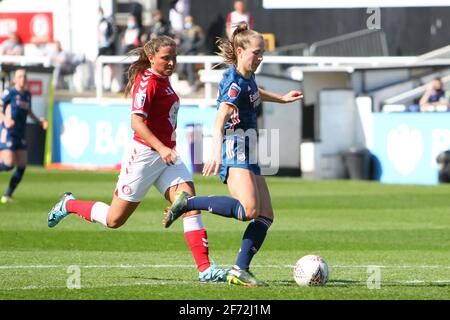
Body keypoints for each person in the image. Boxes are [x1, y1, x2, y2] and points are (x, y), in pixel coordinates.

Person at [46, 36, 227, 283]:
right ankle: (68, 204)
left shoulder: (164, 81)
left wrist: (165, 149)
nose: (172, 62)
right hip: (144, 155)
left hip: (167, 156)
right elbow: (136, 122)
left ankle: (205, 269)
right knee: (114, 220)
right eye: (166, 58)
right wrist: (162, 147)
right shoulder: (147, 82)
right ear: (151, 57)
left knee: (189, 202)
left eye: (174, 57)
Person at [163, 22, 303, 286]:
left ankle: (240, 269)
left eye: (263, 53)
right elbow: (221, 116)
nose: (260, 57)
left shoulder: (246, 77)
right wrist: (215, 149)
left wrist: (281, 99)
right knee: (249, 210)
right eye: (257, 52)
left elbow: (254, 92)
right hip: (234, 146)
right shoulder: (234, 80)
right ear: (240, 50)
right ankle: (187, 203)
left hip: (248, 147)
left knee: (266, 215)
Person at [0, 69, 48, 203]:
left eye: (24, 76)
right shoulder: (10, 93)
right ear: (14, 79)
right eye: (20, 76)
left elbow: (29, 112)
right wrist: (5, 119)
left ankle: (7, 195)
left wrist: (39, 121)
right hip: (9, 132)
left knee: (22, 164)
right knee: (8, 164)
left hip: (21, 132)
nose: (23, 79)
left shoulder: (27, 94)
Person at [178, 15, 205, 94]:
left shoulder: (196, 29)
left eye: (189, 21)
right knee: (181, 69)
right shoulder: (182, 30)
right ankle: (193, 81)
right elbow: (180, 40)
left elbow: (202, 40)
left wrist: (194, 47)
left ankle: (192, 85)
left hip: (191, 52)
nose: (187, 22)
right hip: (183, 52)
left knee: (190, 69)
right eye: (186, 21)